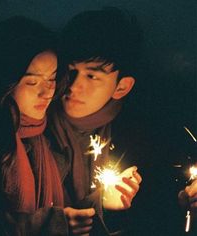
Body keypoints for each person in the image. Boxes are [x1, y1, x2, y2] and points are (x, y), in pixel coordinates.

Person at [46, 7, 145, 235]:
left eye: (92, 75)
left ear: (121, 87)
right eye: (70, 70)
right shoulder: (38, 126)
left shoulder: (131, 136)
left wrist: (110, 206)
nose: (73, 85)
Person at [0, 16, 68, 235]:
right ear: (5, 82)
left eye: (51, 78)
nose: (47, 91)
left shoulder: (44, 137)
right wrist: (53, 222)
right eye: (32, 81)